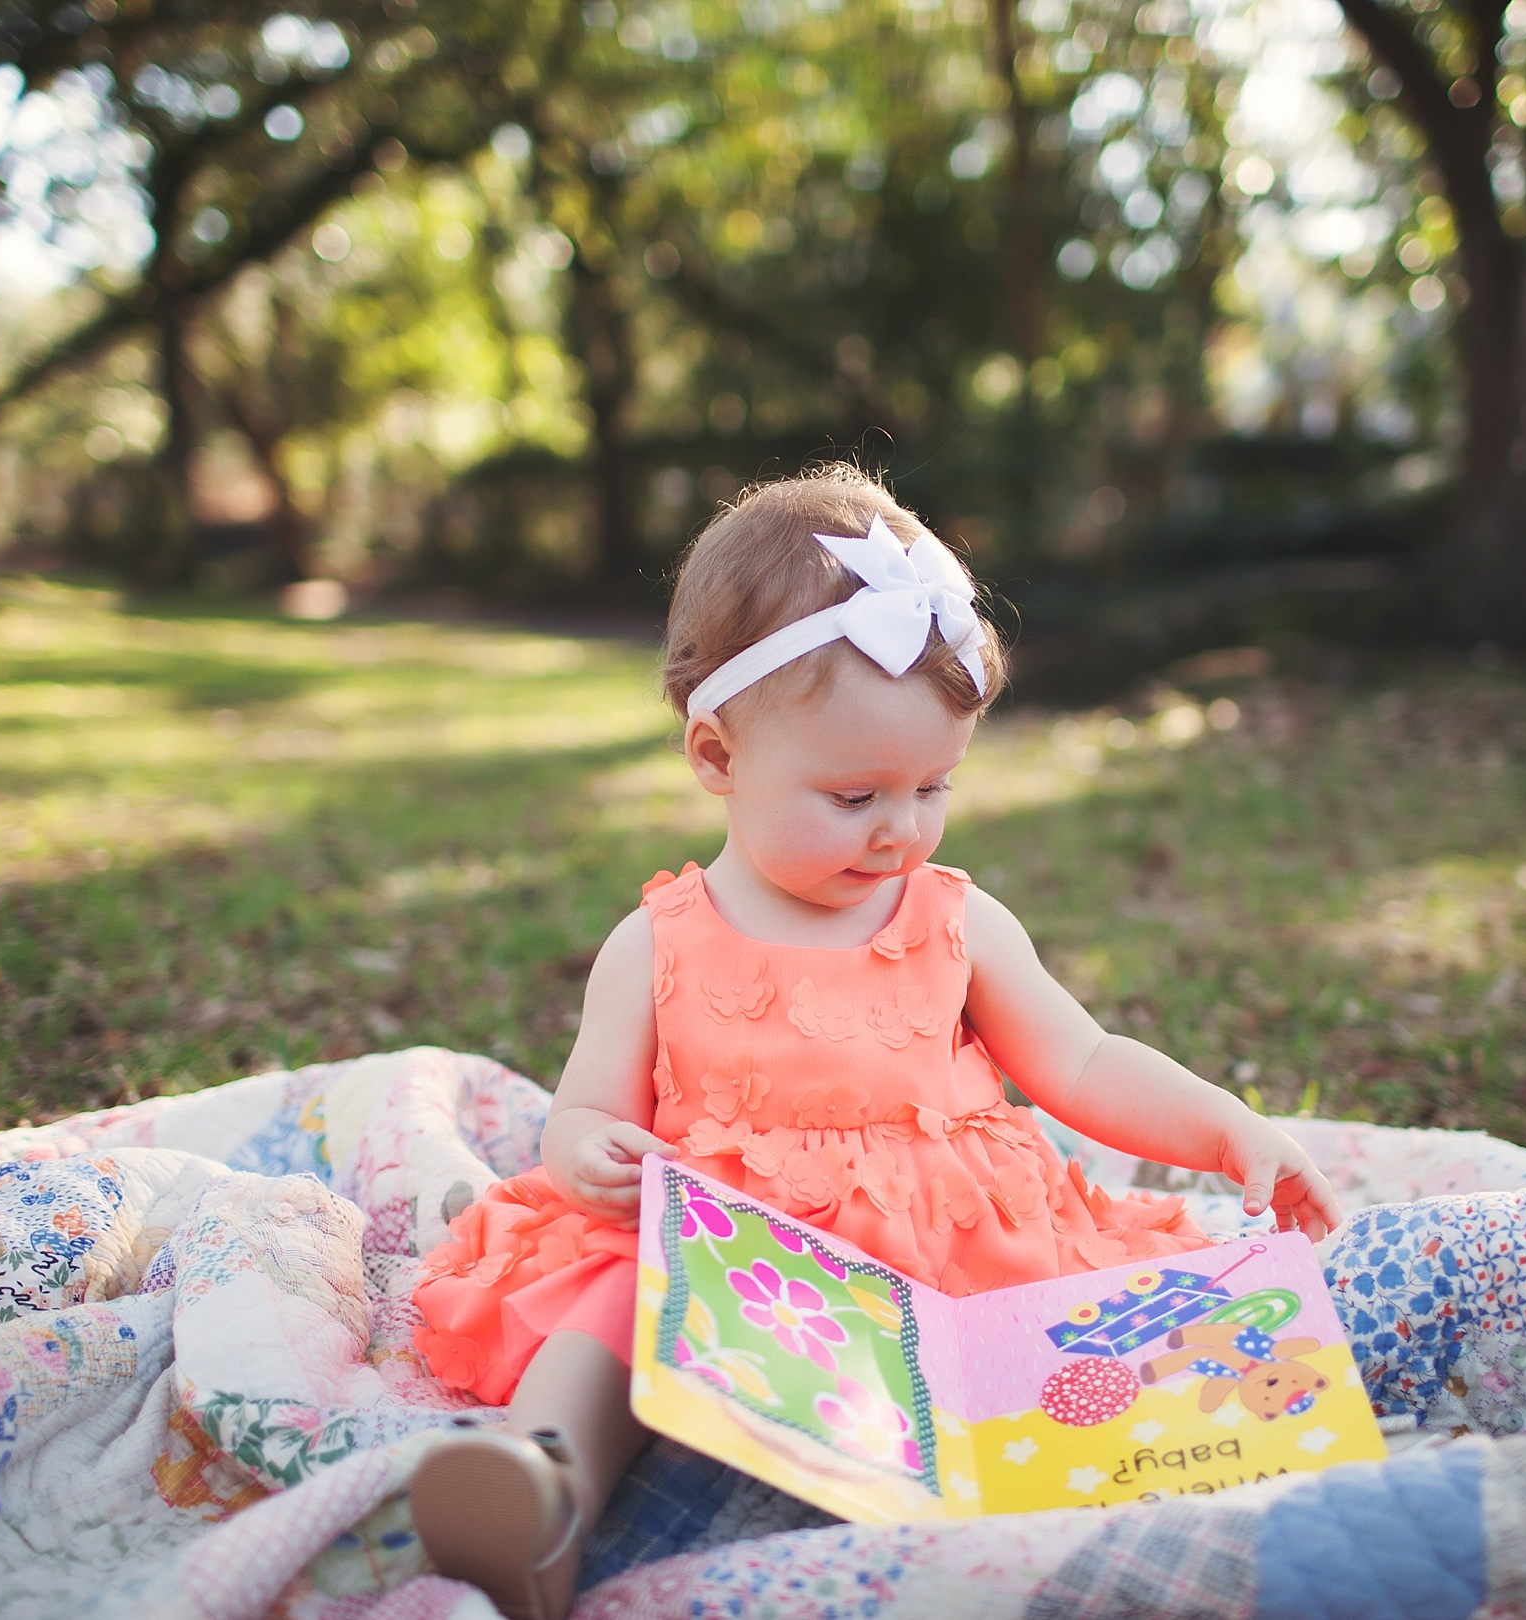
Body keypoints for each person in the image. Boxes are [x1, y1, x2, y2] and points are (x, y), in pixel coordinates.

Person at [407, 465, 1339, 1618]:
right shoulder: (658, 943)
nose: (901, 828)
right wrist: (589, 1152)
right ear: (717, 757)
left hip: (937, 1258)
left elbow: (1084, 1063)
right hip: (738, 1265)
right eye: (855, 796)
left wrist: (1227, 1130)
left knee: (1045, 1351)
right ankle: (542, 1489)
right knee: (609, 1295)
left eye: (933, 786)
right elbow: (586, 1110)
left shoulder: (954, 920)